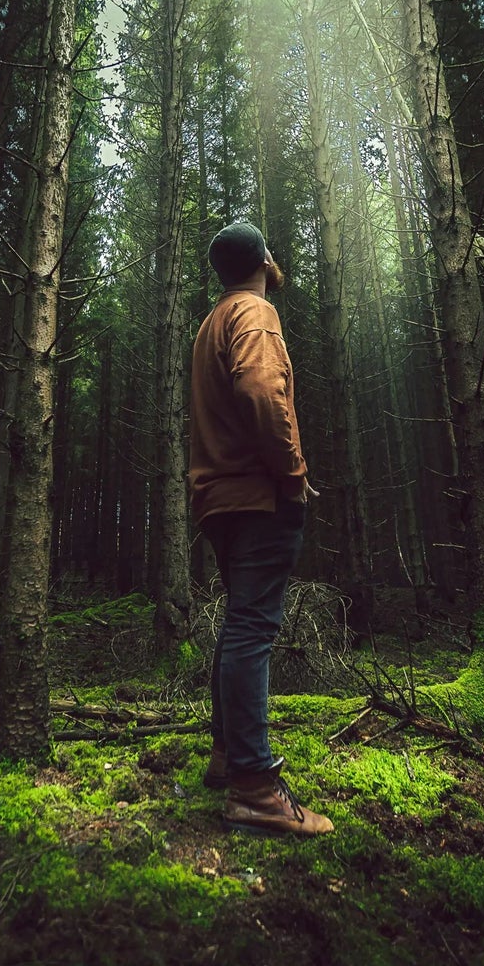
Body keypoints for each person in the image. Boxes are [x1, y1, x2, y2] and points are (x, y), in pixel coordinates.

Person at [189, 221, 333, 837]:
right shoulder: (254, 311)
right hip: (256, 494)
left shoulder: (212, 321)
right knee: (253, 627)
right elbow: (260, 388)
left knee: (239, 623)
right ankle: (253, 786)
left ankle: (228, 758)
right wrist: (293, 471)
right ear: (266, 260)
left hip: (219, 499)